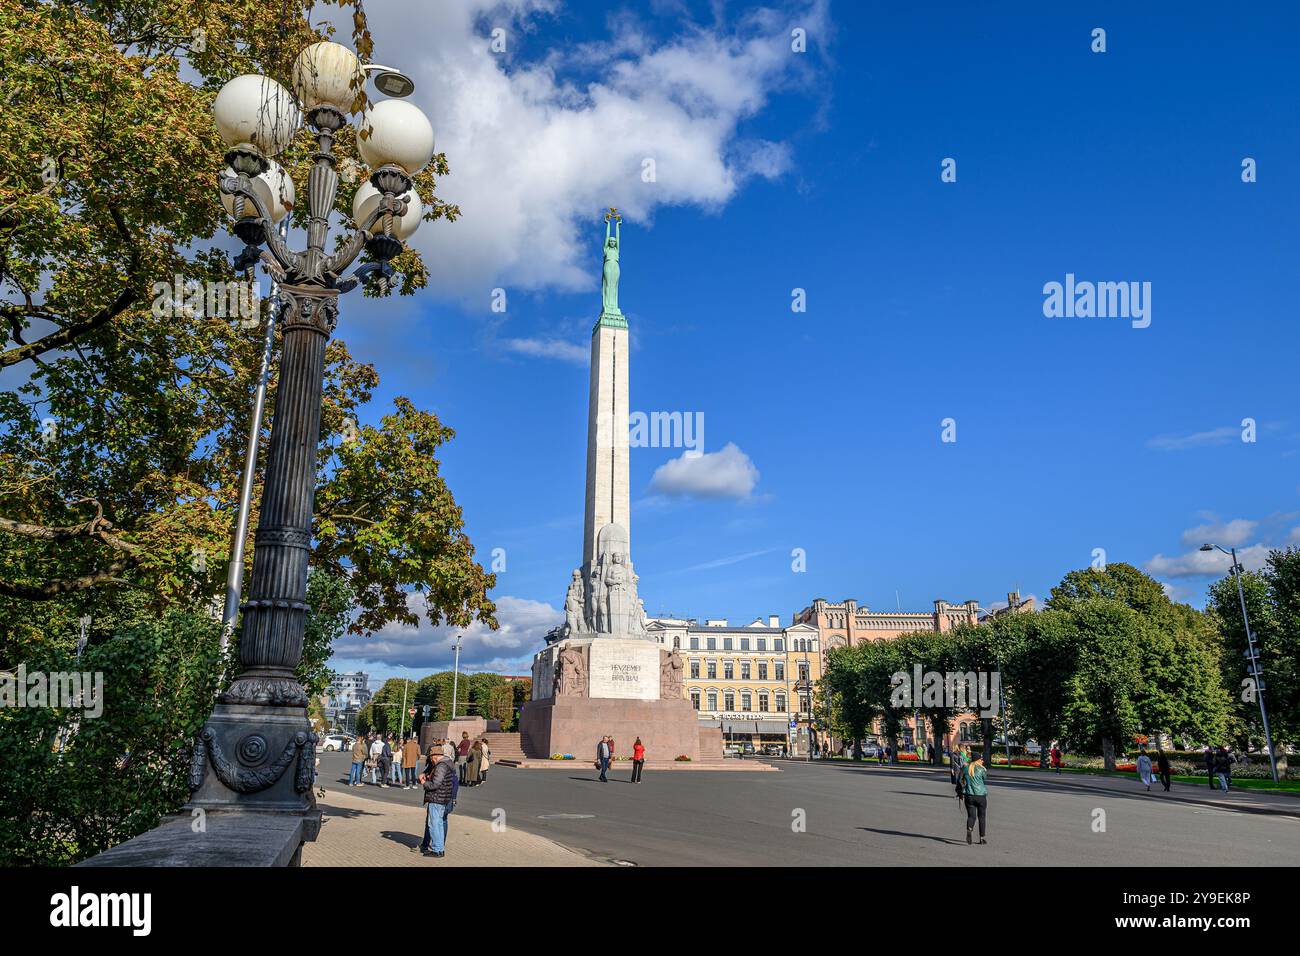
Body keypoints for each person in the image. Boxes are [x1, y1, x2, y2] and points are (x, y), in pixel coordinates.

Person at [418, 749, 454, 858]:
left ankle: (437, 850)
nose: (431, 761)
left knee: (433, 824)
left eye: (431, 758)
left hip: (437, 798)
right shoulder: (446, 764)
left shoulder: (441, 766)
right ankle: (439, 848)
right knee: (438, 824)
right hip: (442, 798)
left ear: (434, 756)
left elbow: (435, 784)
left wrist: (424, 782)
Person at [963, 755, 988, 845]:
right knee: (981, 817)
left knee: (971, 816)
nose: (982, 760)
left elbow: (960, 780)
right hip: (980, 795)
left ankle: (969, 829)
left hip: (969, 795)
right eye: (981, 759)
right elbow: (984, 778)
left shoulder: (965, 768)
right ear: (977, 760)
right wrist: (984, 770)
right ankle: (982, 838)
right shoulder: (981, 769)